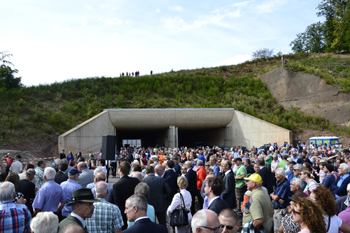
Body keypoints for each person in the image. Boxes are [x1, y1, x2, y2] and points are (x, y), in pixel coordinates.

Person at [113, 161, 140, 230]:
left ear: (120, 169)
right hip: (136, 211)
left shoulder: (116, 185)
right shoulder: (136, 181)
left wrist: (126, 213)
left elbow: (117, 203)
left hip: (123, 214)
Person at [270, 168, 290, 233]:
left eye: (276, 175)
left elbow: (276, 197)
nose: (275, 176)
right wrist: (275, 197)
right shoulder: (280, 183)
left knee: (280, 230)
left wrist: (272, 195)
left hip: (281, 210)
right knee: (276, 230)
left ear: (281, 176)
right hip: (277, 209)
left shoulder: (285, 184)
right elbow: (276, 196)